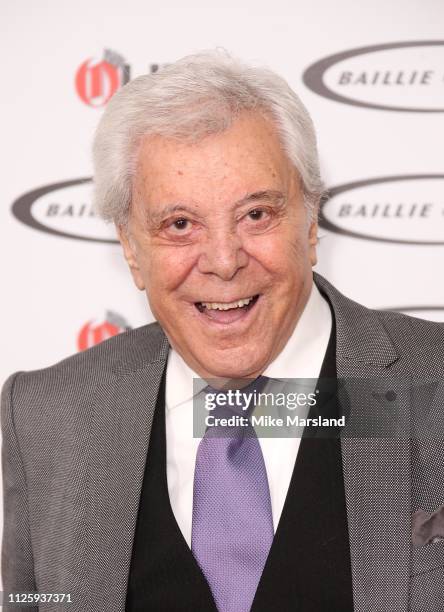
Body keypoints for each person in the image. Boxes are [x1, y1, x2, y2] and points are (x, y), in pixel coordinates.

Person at [2, 50, 444, 612]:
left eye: (256, 214)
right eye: (179, 224)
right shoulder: (47, 415)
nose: (223, 260)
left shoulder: (434, 382)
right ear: (131, 250)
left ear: (311, 222)